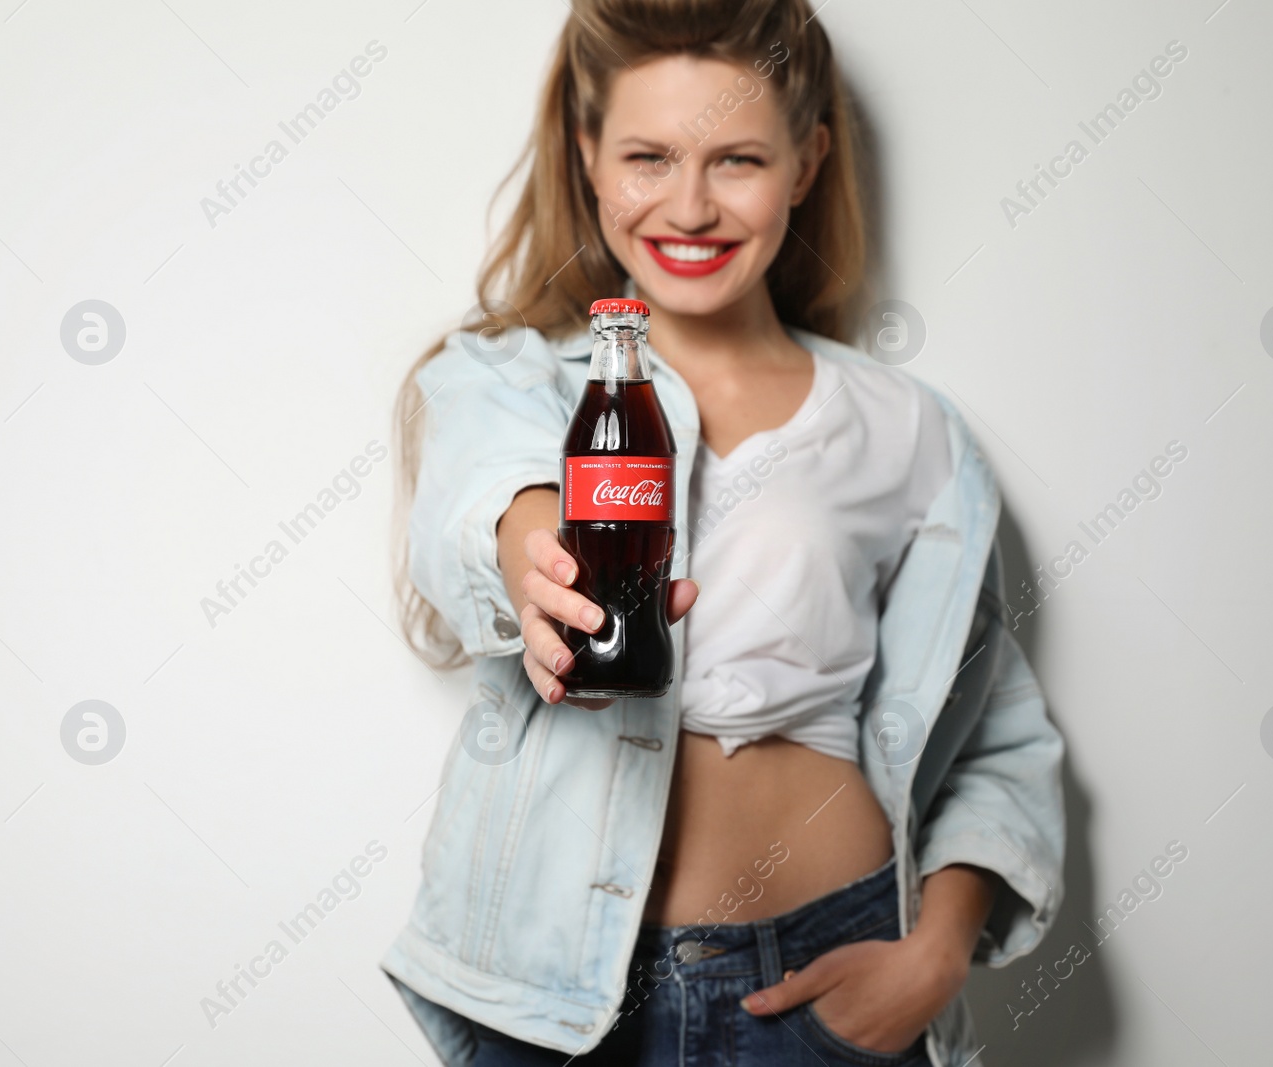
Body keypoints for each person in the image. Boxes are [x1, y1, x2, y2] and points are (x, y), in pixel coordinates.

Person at [379, 2, 1065, 1064]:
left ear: (805, 162)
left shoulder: (904, 429)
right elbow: (492, 497)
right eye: (647, 156)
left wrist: (933, 951)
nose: (689, 207)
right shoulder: (506, 381)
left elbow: (990, 733)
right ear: (588, 158)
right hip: (559, 1008)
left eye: (737, 159)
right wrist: (535, 556)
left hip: (827, 979)